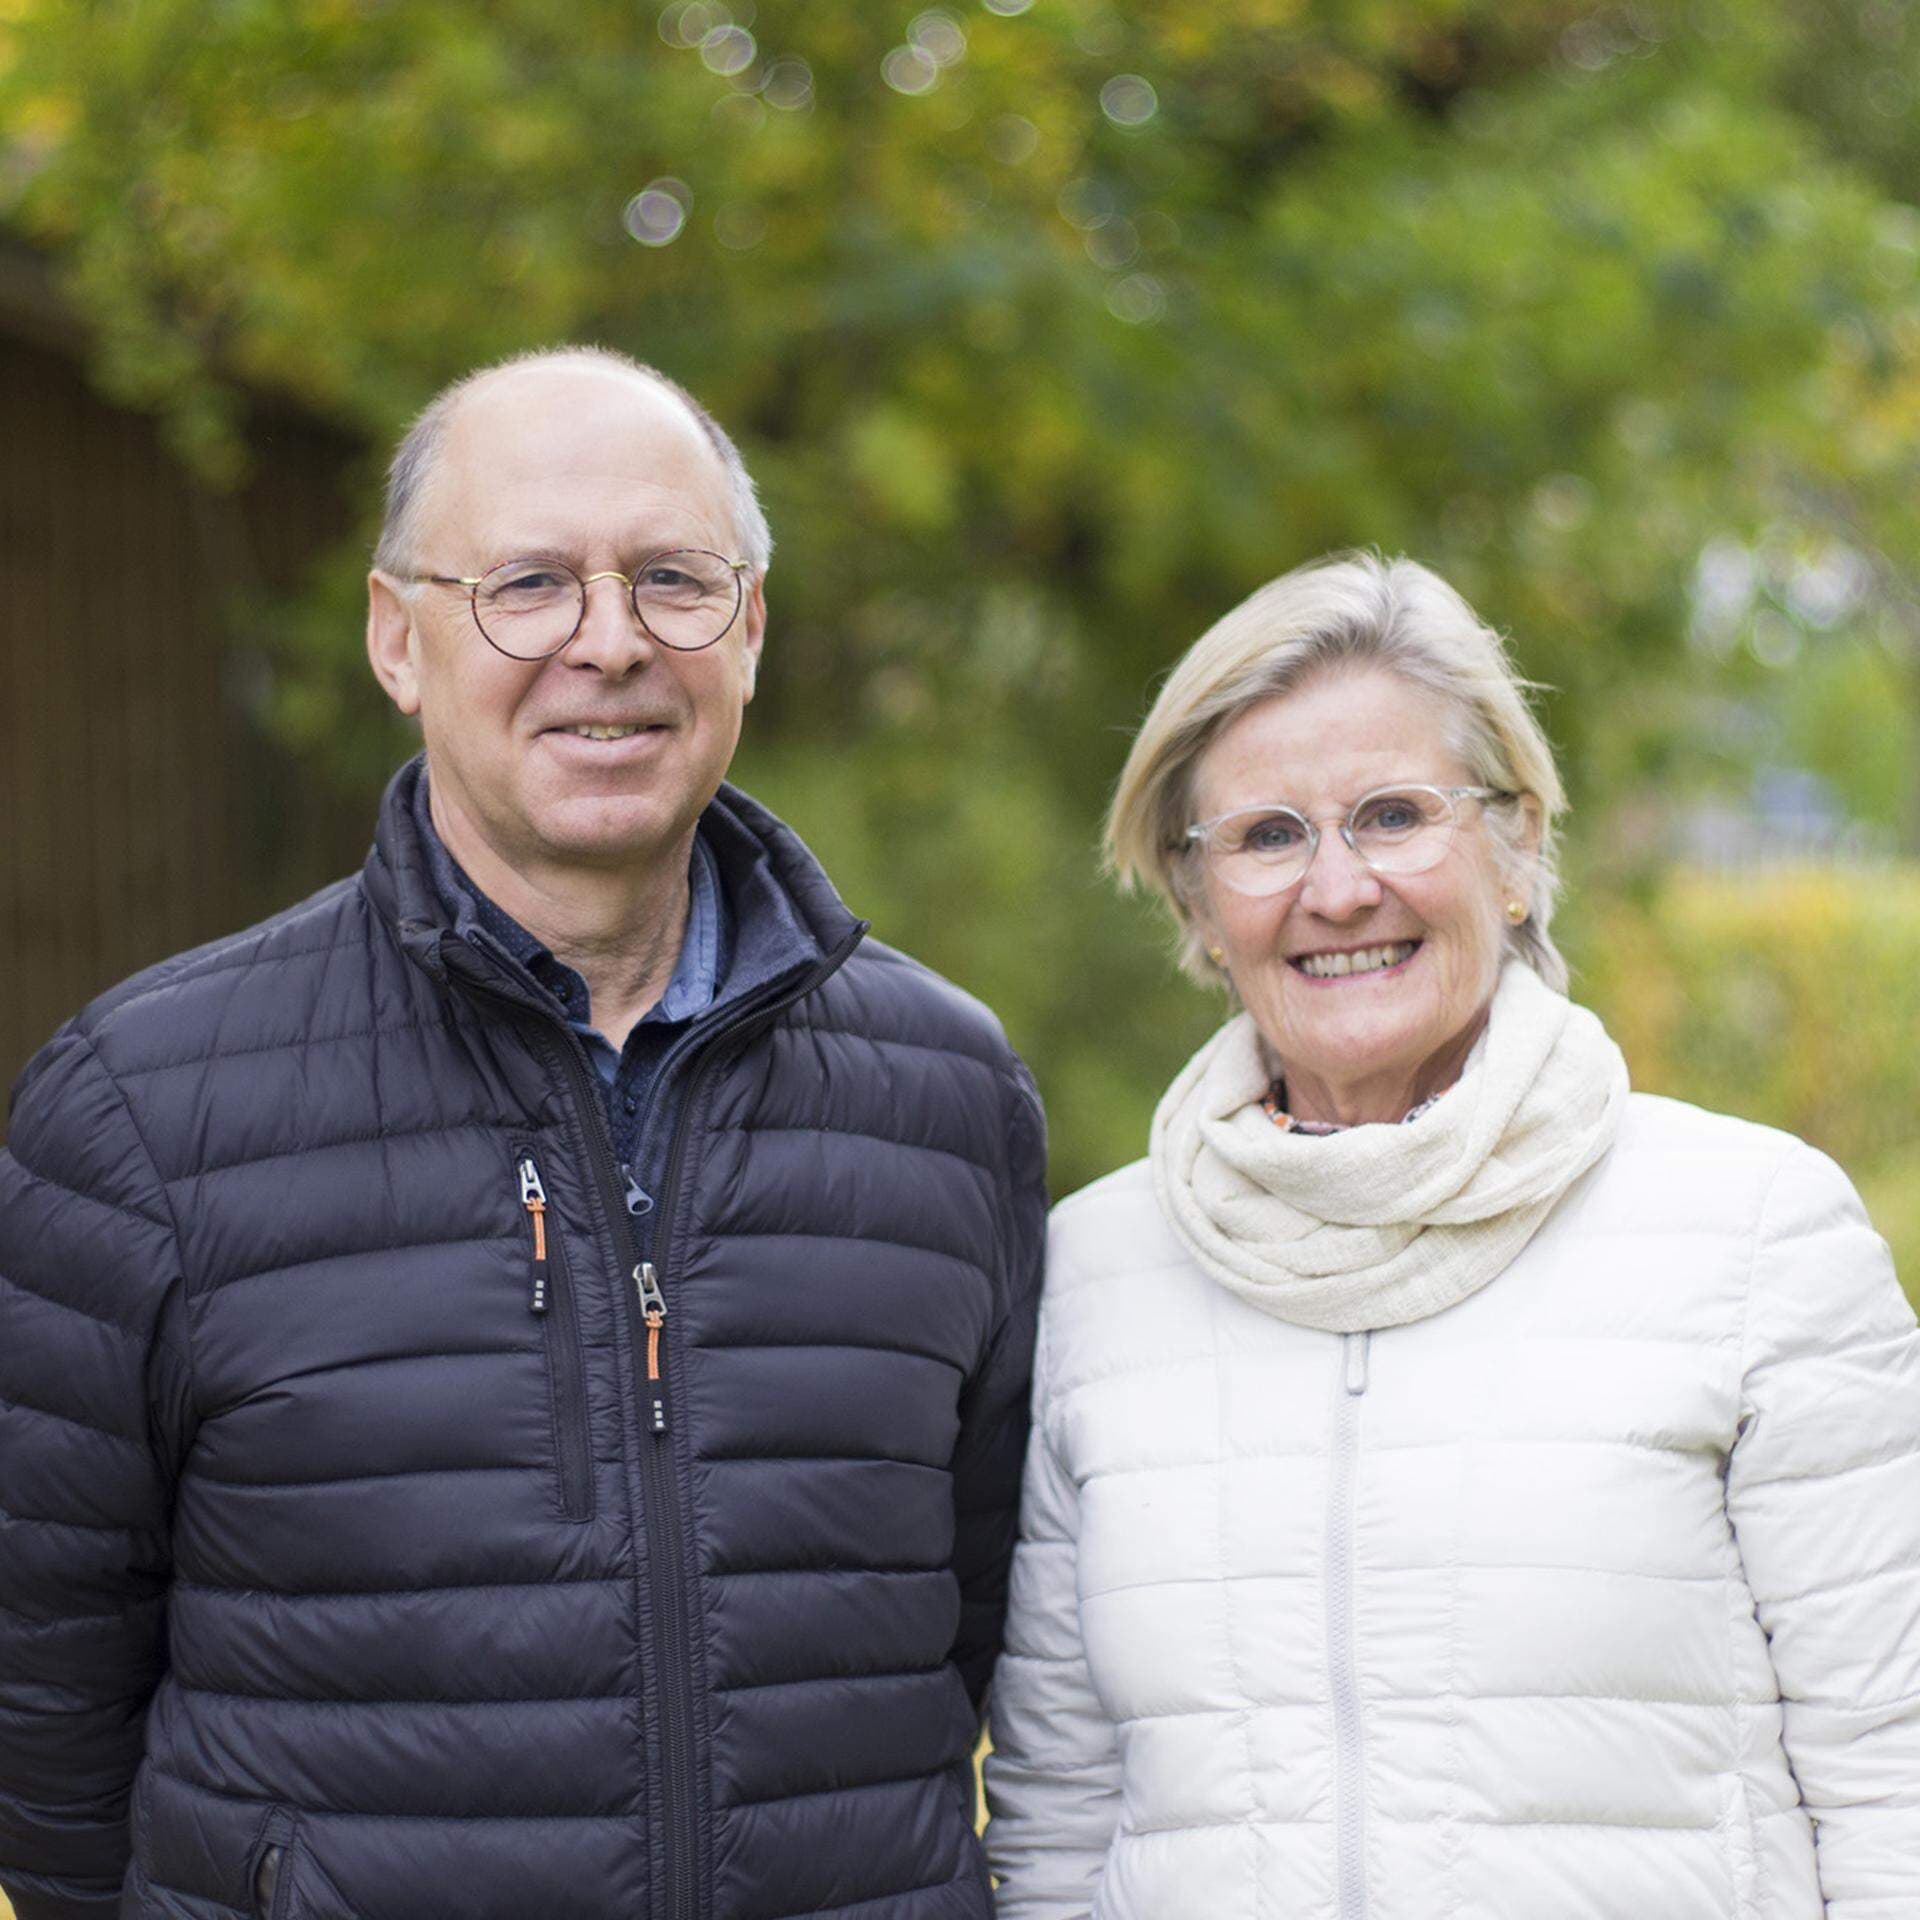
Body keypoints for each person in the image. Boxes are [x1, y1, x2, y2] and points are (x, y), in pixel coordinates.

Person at [0, 347, 1046, 1920]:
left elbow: (969, 1621)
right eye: (528, 586)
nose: (609, 643)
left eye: (674, 582)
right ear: (395, 637)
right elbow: (42, 1712)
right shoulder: (144, 1110)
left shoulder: (946, 1099)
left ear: (749, 632)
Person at [983, 552, 1920, 1918]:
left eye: (1394, 814)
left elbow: (1894, 1766)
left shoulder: (1757, 1237)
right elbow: (1059, 1820)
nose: (1340, 887)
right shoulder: (1096, 1277)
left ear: (1519, 844)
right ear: (1194, 902)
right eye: (1265, 835)